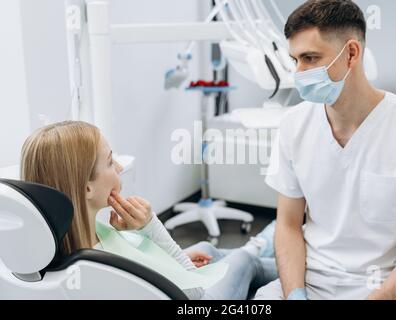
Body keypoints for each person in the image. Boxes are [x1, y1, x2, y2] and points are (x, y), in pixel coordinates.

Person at [257, 0, 396, 300]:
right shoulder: (294, 125)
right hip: (312, 283)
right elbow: (288, 225)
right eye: (295, 59)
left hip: (387, 291)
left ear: (351, 53)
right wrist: (295, 294)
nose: (299, 72)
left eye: (310, 58)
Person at [20, 120, 278, 300]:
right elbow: (194, 293)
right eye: (110, 161)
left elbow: (143, 273)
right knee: (246, 261)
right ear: (87, 188)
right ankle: (294, 259)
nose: (119, 167)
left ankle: (269, 246)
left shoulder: (54, 246)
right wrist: (151, 227)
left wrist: (175, 259)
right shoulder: (106, 263)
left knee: (207, 249)